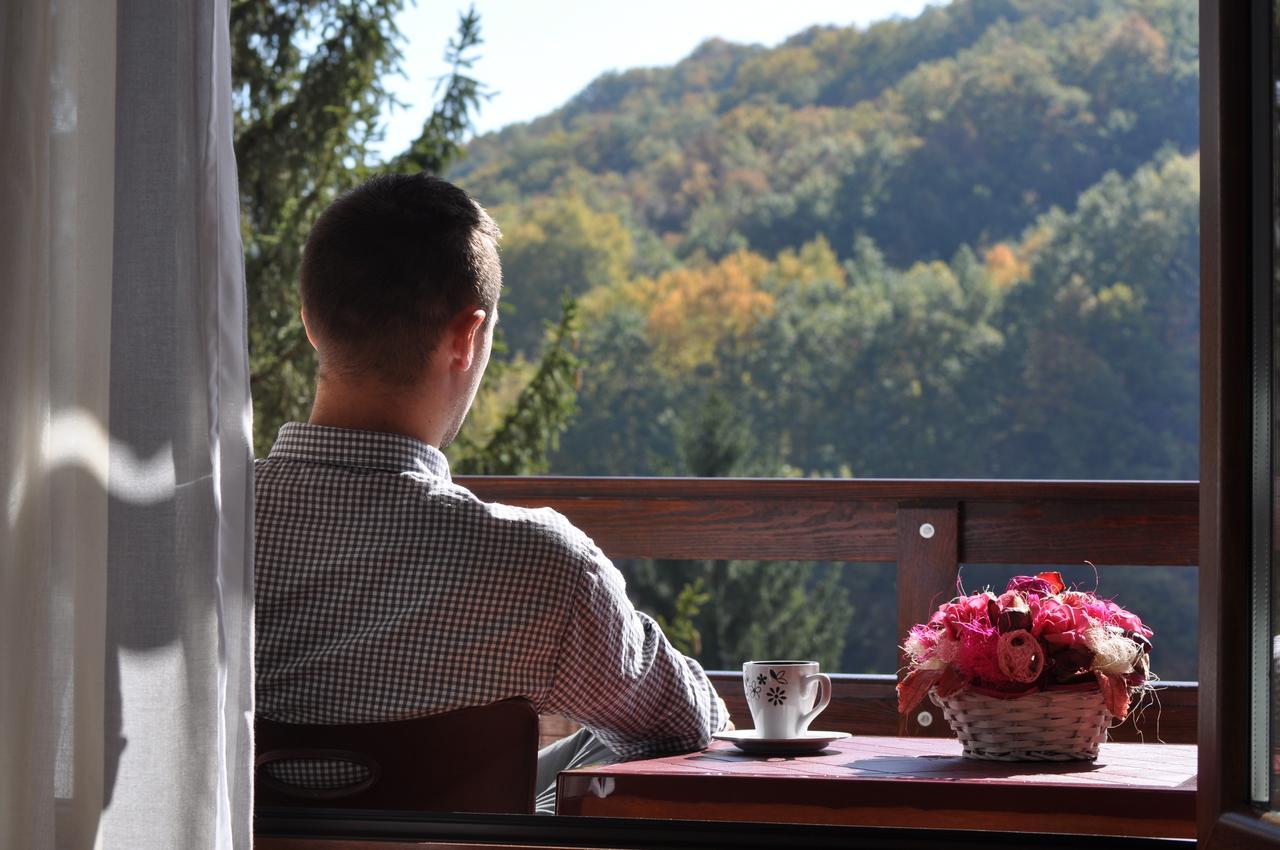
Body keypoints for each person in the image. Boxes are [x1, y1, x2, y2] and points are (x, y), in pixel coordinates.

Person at [254, 172, 727, 814]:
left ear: (311, 321)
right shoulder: (543, 567)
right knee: (613, 746)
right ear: (466, 336)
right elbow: (688, 728)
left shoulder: (197, 522)